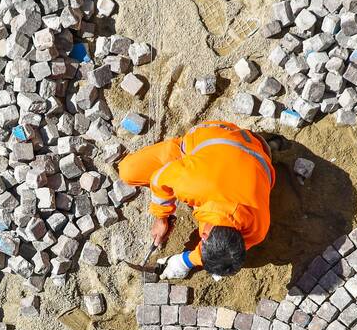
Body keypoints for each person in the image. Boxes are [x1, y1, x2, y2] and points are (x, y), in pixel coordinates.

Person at [118, 120, 275, 279]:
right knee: (128, 172)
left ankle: (262, 143)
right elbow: (159, 180)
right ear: (204, 236)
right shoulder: (191, 185)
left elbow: (228, 252)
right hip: (212, 137)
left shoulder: (259, 228)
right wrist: (162, 218)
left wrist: (185, 261)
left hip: (253, 153)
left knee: (214, 236)